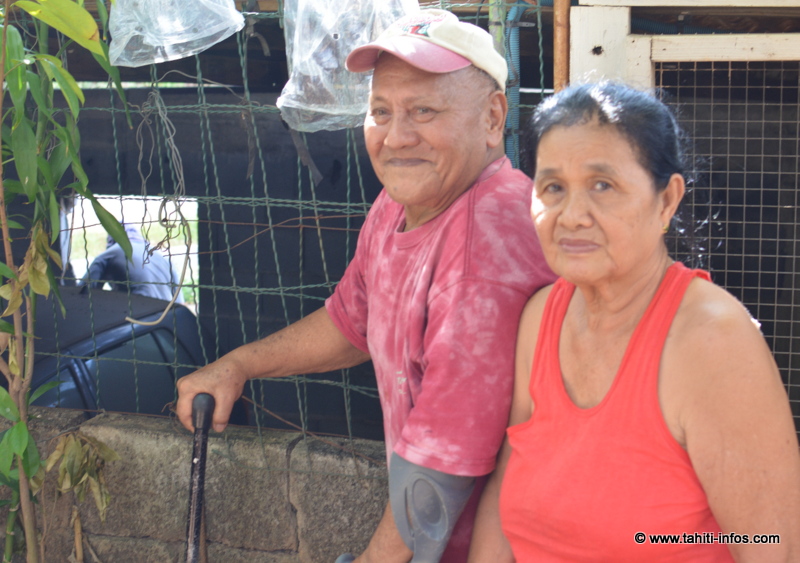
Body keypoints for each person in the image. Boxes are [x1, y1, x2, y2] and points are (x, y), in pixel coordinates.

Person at [175, 8, 555, 563]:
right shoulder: (404, 200)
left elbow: (441, 464)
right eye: (381, 111)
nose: (397, 137)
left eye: (423, 110)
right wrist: (239, 364)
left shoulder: (488, 237)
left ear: (493, 117)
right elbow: (353, 322)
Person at [468, 82, 800, 562]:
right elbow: (502, 495)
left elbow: (773, 548)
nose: (573, 215)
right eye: (553, 187)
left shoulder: (712, 340)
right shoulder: (540, 318)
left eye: (602, 185)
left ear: (666, 201)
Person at [83, 223, 184, 303]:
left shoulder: (110, 253)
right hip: (165, 318)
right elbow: (179, 301)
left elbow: (81, 292)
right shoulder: (162, 257)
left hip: (138, 313)